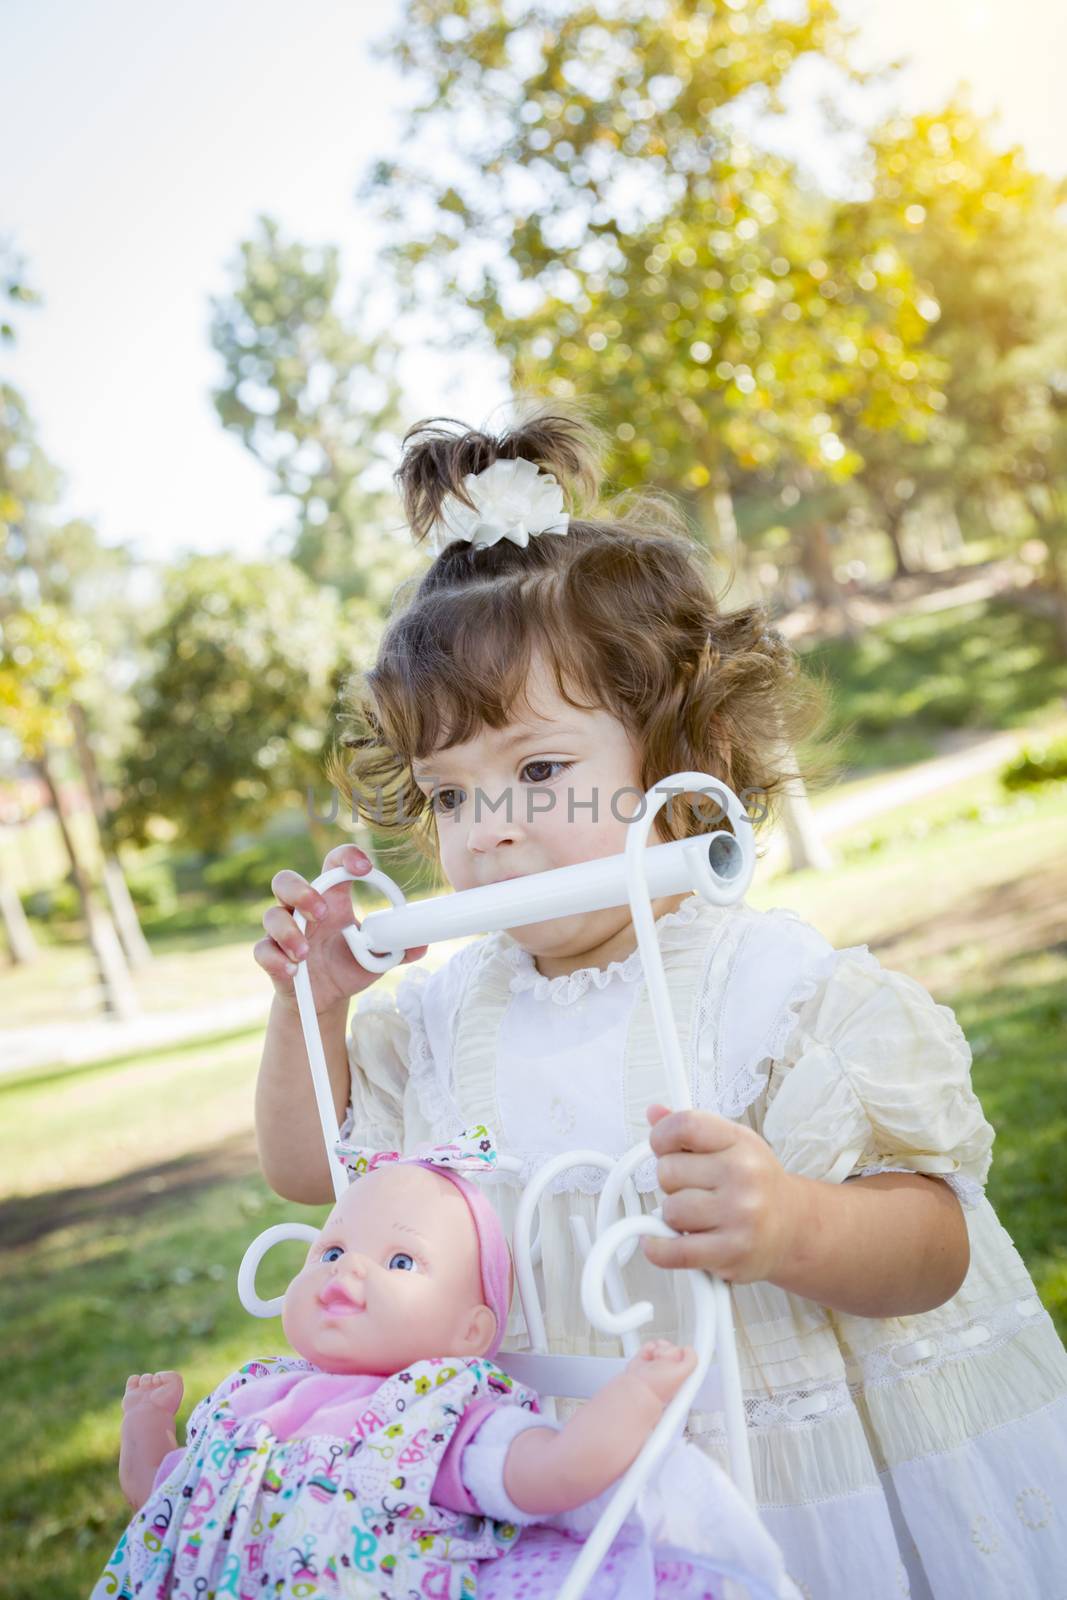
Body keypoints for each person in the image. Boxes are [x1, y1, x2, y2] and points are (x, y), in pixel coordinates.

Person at [254, 401, 1067, 1597]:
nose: (494, 829)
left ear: (673, 757)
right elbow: (310, 1174)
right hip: (563, 1497)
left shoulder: (770, 991)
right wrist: (309, 1008)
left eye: (539, 769)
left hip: (781, 1470)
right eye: (451, 793)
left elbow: (934, 1248)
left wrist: (791, 1222)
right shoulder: (432, 1020)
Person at [92, 1130, 770, 1600]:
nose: (350, 1266)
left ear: (469, 1331)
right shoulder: (252, 1396)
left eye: (399, 1261)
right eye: (331, 1252)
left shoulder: (434, 1412)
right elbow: (160, 1498)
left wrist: (635, 1394)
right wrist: (147, 1428)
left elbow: (552, 1475)